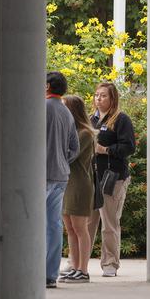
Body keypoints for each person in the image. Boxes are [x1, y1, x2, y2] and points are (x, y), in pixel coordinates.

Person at [87, 81, 136, 278]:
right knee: (87, 223)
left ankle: (110, 264)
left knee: (109, 223)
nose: (99, 98)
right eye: (97, 95)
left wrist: (105, 150)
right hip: (91, 178)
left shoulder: (121, 119)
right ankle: (79, 264)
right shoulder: (91, 119)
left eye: (103, 95)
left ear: (112, 98)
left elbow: (129, 147)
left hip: (113, 178)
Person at [46, 71, 80, 288]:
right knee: (53, 225)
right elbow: (74, 147)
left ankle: (34, 270)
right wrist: (62, 160)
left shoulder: (40, 108)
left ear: (47, 85)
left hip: (40, 174)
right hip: (60, 175)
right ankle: (50, 274)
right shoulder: (67, 112)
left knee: (35, 225)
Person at [60, 95, 96, 283]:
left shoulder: (85, 133)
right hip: (66, 184)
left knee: (80, 228)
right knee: (70, 229)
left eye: (65, 107)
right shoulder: (70, 131)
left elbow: (68, 156)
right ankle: (74, 266)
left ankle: (83, 270)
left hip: (79, 185)